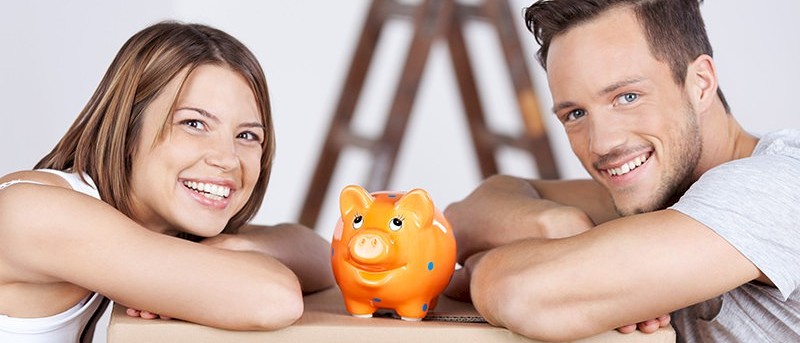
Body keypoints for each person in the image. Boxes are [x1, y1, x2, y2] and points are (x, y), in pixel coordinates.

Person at [443, 0, 800, 342]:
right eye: (575, 114)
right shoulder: (665, 186)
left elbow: (523, 294)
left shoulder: (776, 187)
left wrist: (480, 268)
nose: (602, 144)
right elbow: (464, 218)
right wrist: (556, 226)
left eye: (627, 97)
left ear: (701, 83)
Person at [0, 21, 334, 342]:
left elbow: (325, 259)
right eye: (194, 124)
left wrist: (235, 246)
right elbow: (274, 298)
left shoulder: (151, 224)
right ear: (128, 128)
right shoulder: (35, 212)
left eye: (247, 135)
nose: (228, 158)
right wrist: (211, 268)